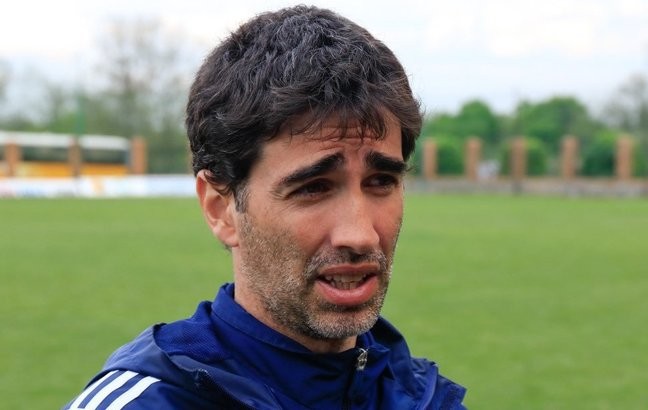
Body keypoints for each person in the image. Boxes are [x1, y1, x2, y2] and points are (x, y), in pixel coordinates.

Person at [64, 5, 467, 409]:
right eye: (313, 188)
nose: (361, 235)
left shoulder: (423, 398)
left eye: (380, 182)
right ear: (221, 208)